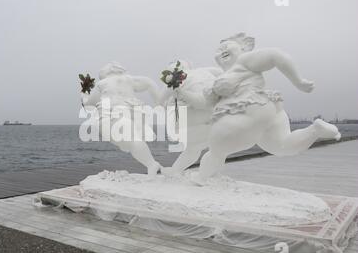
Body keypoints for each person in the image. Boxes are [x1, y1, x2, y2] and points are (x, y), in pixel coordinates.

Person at [192, 33, 340, 185]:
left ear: (243, 48)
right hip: (269, 111)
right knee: (282, 146)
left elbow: (275, 55)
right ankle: (315, 129)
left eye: (226, 46)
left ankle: (202, 179)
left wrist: (298, 81)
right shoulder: (224, 74)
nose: (221, 51)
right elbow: (204, 102)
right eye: (218, 50)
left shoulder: (243, 61)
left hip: (250, 108)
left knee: (217, 147)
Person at [81, 62, 162, 175]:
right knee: (130, 141)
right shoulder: (129, 79)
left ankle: (152, 164)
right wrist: (158, 102)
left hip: (112, 112)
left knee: (125, 139)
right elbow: (149, 83)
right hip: (133, 110)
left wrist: (84, 94)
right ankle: (151, 164)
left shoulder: (102, 83)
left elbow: (90, 104)